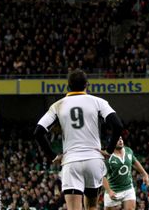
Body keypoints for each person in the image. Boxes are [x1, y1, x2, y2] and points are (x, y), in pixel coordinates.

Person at [34, 69, 124, 210]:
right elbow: (118, 126)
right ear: (87, 84)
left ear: (68, 86)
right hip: (94, 160)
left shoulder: (58, 105)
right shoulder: (98, 102)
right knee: (91, 207)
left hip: (71, 161)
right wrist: (109, 150)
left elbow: (38, 132)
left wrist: (53, 156)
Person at [102, 137, 149, 210]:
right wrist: (109, 191)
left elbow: (134, 162)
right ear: (111, 143)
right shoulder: (107, 158)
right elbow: (102, 176)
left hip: (128, 188)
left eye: (121, 139)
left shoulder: (128, 150)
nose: (120, 141)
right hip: (113, 190)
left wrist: (144, 174)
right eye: (117, 139)